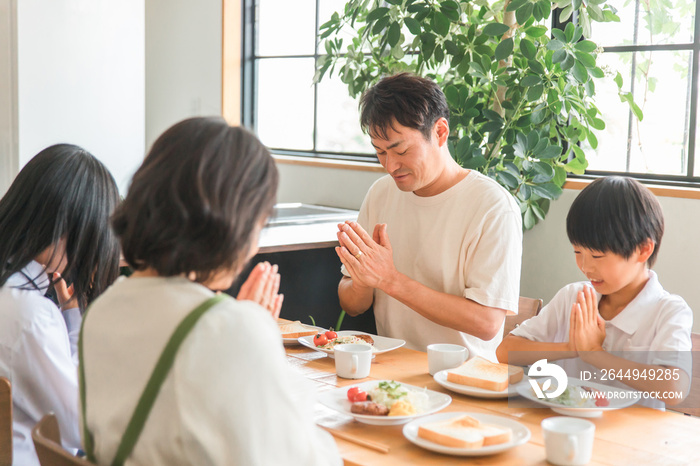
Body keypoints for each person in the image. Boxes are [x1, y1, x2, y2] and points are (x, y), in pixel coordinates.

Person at [79, 117, 340, 466]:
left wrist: (243, 324)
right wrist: (252, 331)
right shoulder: (228, 328)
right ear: (231, 223)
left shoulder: (101, 310)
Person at [336, 72, 523, 358]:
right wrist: (363, 279)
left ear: (440, 132)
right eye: (380, 153)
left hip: (464, 381)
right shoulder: (381, 193)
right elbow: (352, 304)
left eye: (400, 150)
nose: (390, 165)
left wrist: (390, 280)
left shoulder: (492, 207)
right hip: (391, 372)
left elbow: (487, 323)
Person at [497, 177, 693, 408]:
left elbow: (674, 388)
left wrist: (594, 354)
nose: (585, 266)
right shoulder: (573, 296)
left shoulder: (668, 311)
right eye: (577, 252)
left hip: (631, 439)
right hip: (567, 428)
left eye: (597, 256)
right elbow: (505, 352)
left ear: (643, 250)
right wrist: (569, 349)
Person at [0, 144, 121, 466]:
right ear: (69, 230)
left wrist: (69, 316)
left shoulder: (15, 295)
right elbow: (81, 429)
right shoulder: (32, 315)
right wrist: (76, 322)